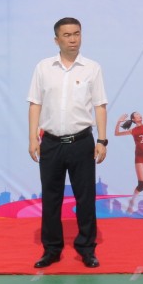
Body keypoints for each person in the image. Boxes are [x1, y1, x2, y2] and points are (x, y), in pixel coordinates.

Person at [27, 17, 108, 269]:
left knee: (85, 198)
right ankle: (51, 249)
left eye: (77, 34)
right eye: (67, 35)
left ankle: (86, 249)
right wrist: (32, 138)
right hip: (50, 142)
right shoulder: (43, 68)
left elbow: (100, 105)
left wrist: (102, 140)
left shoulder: (92, 68)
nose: (73, 39)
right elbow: (35, 103)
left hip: (82, 141)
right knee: (51, 198)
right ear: (56, 40)